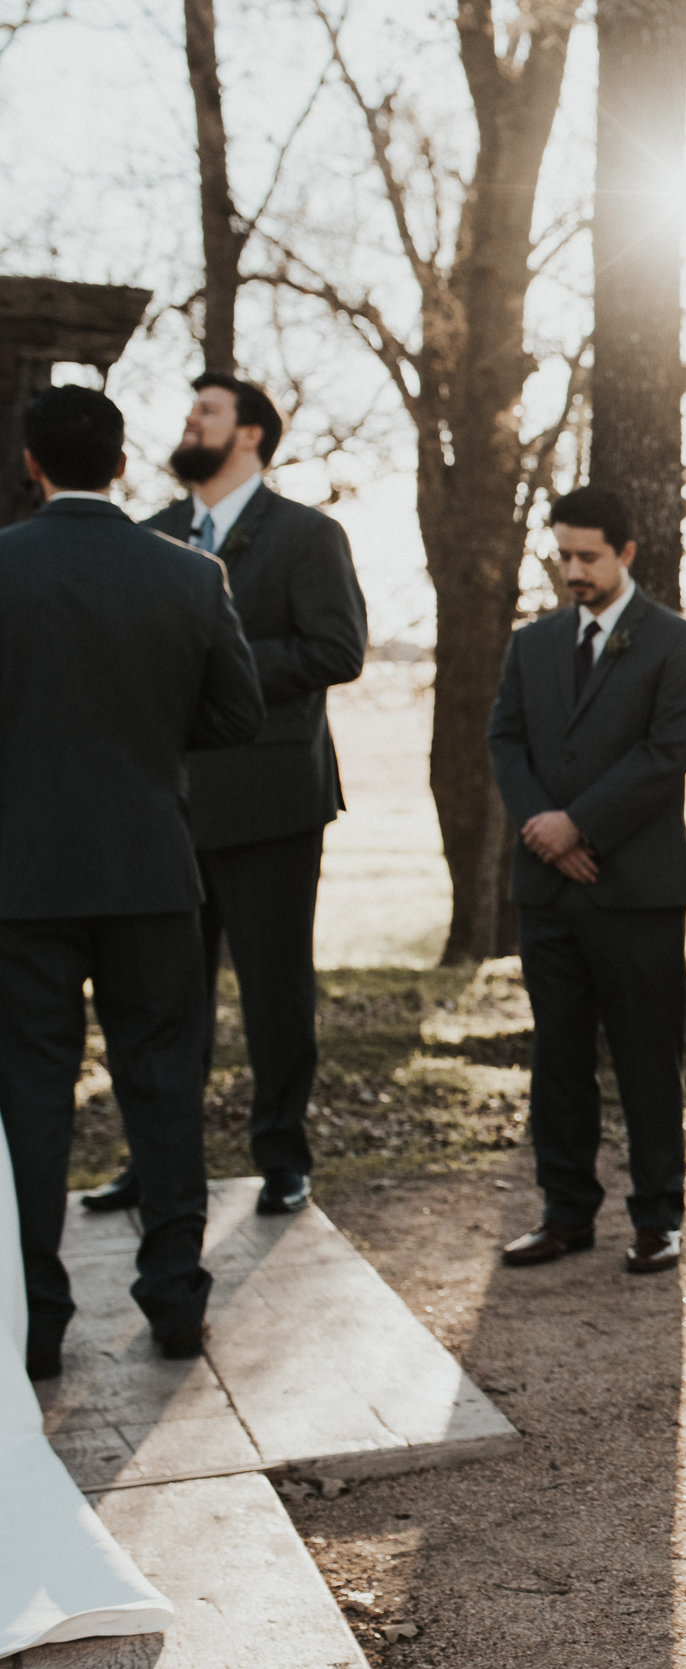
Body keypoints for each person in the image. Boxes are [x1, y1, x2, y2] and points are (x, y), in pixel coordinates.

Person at [0, 385, 262, 1380]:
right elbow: (236, 717)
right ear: (121, 466)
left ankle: (33, 1318)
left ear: (33, 463)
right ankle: (175, 1300)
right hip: (152, 871)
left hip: (20, 880)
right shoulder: (192, 578)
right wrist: (148, 736)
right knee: (162, 1083)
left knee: (29, 1093)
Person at [82, 375, 368, 1222]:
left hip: (275, 798)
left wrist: (222, 664)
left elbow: (338, 648)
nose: (188, 423)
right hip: (166, 803)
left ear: (249, 434)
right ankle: (158, 1160)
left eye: (204, 411)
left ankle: (282, 1156)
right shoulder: (154, 535)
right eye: (189, 412)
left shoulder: (309, 535)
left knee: (277, 991)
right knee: (161, 998)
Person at [485, 487, 686, 1275]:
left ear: (627, 552)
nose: (573, 570)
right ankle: (564, 1211)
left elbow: (666, 752)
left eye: (588, 556)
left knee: (647, 1058)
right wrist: (547, 833)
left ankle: (658, 1216)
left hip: (636, 887)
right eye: (564, 555)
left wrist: (580, 825)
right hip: (548, 890)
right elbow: (505, 739)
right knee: (558, 1057)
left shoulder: (679, 644)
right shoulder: (532, 643)